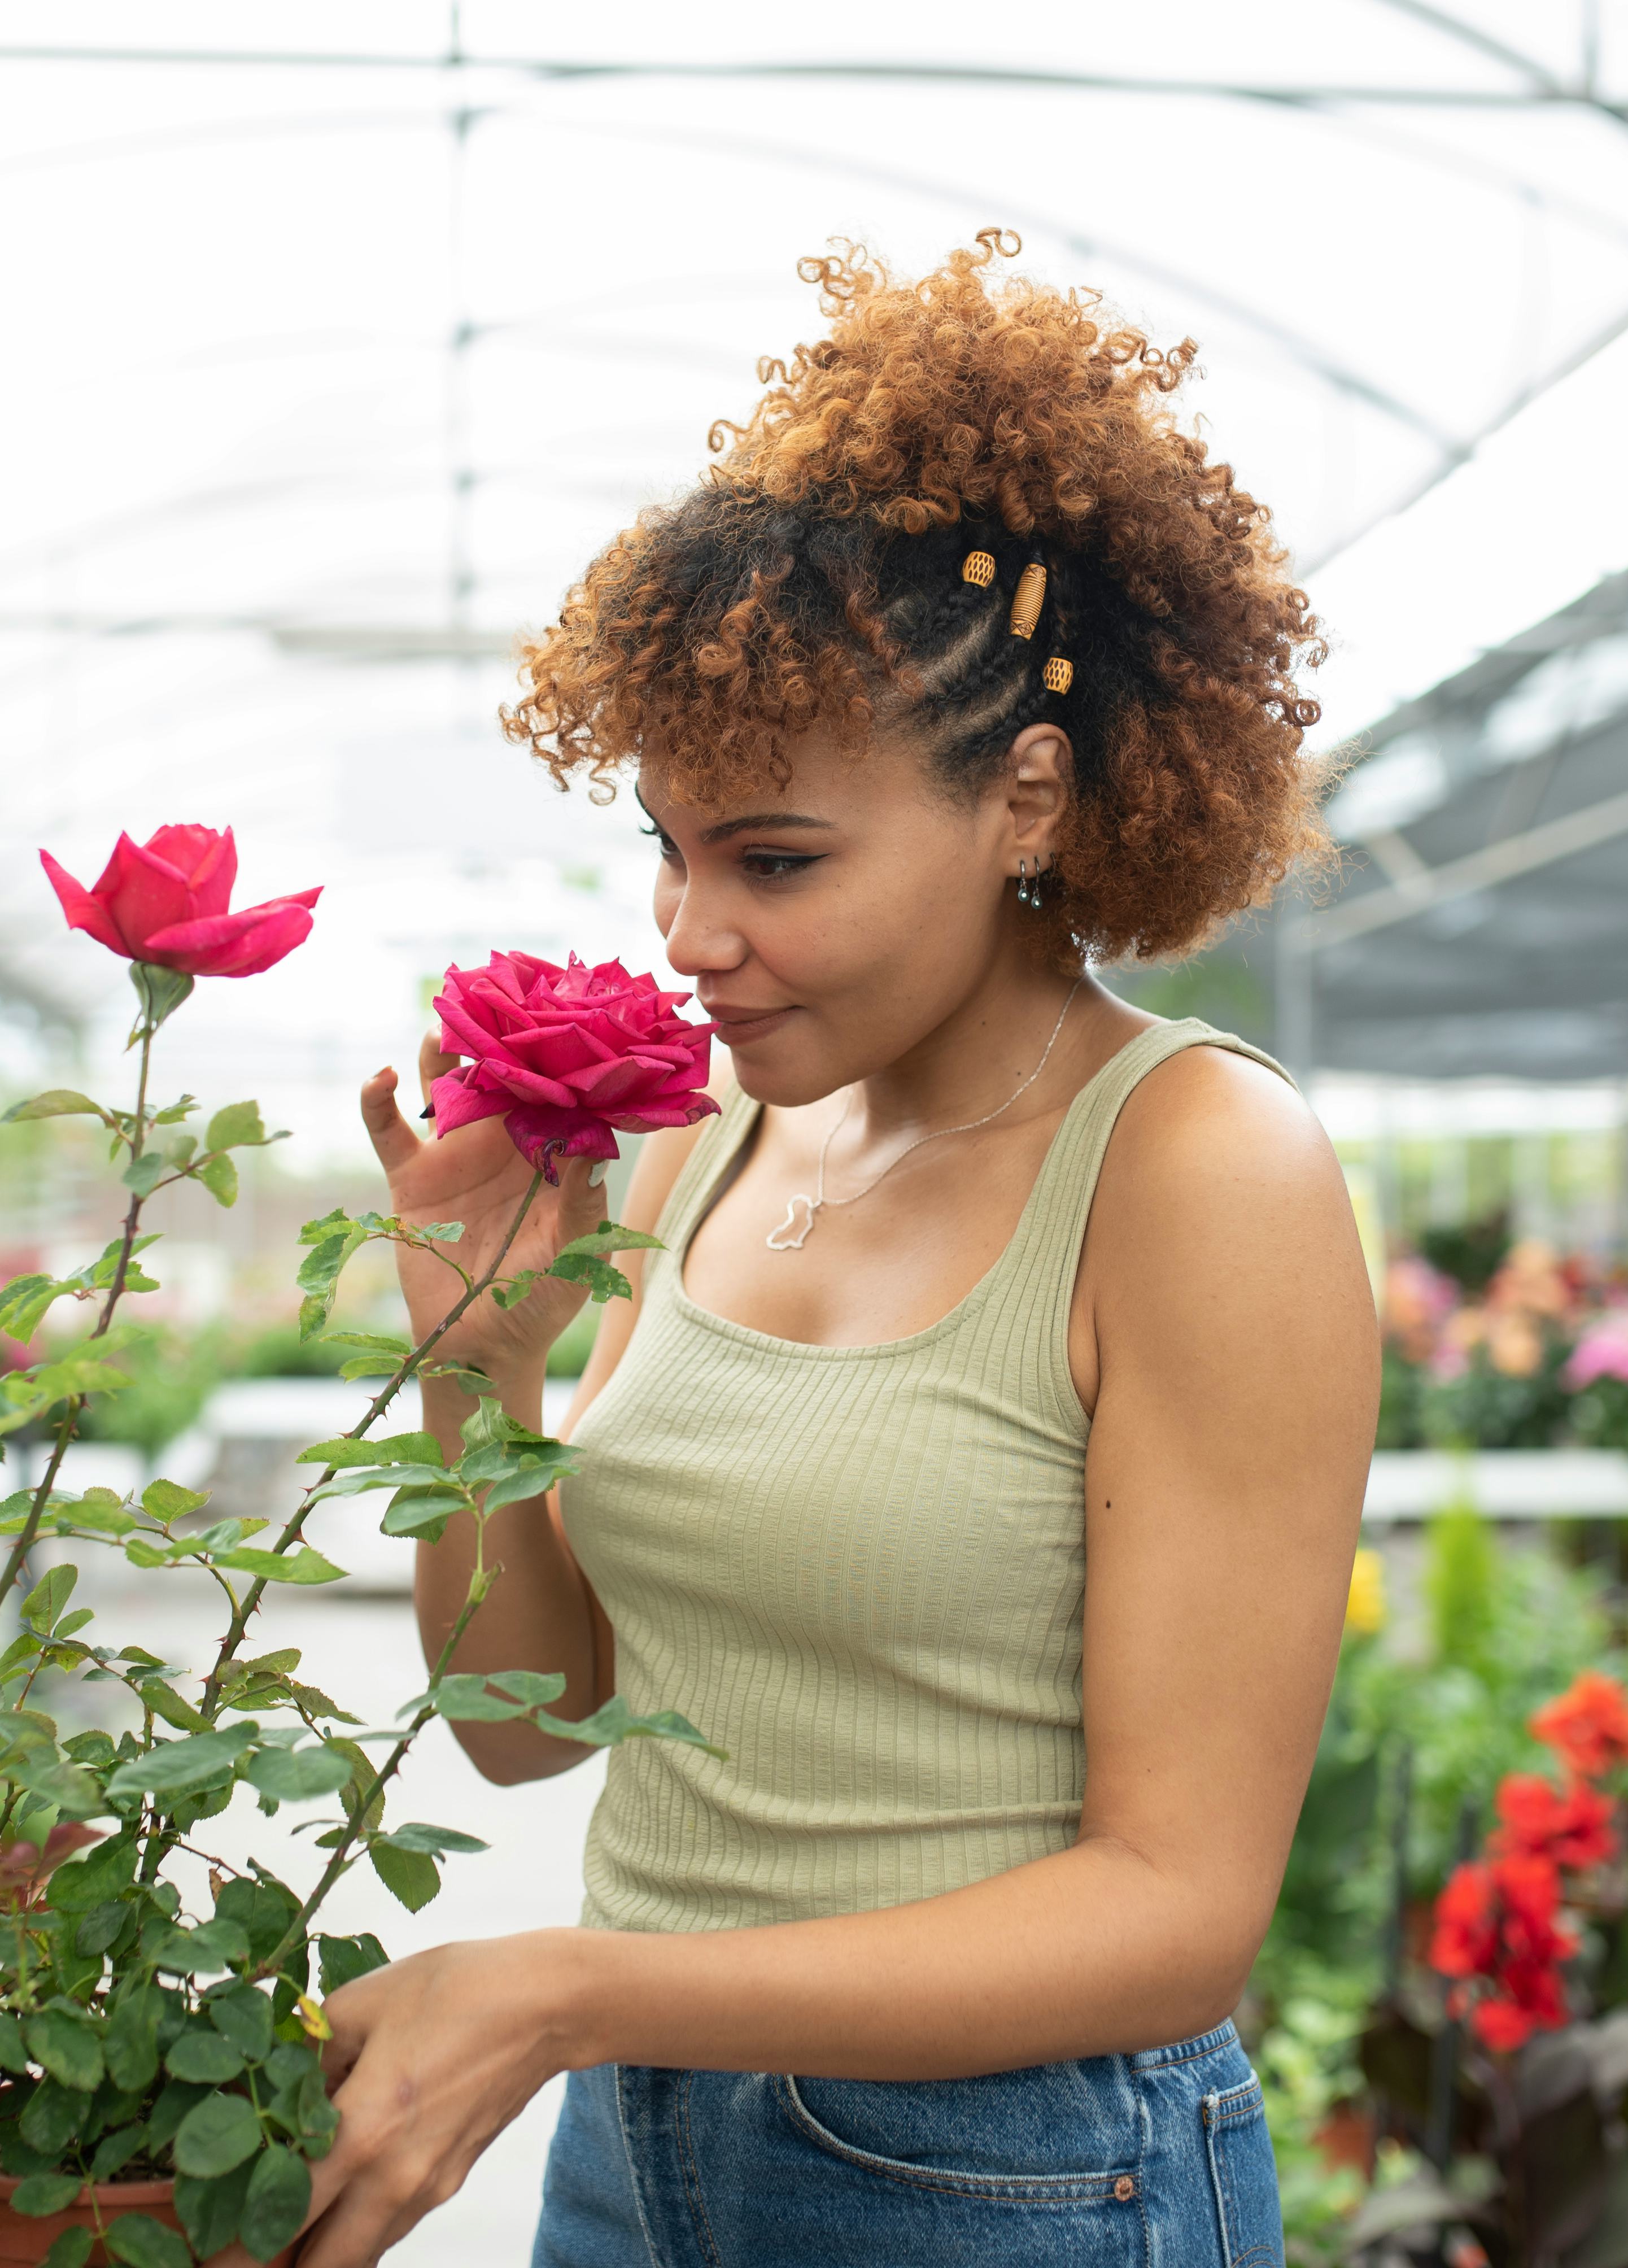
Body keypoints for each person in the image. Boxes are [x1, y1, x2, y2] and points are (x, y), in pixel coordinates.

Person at [308, 232, 1376, 2267]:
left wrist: (560, 1989)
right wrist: (476, 1371)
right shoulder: (710, 1137)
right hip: (640, 2158)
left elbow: (1176, 1912)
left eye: (776, 860)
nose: (689, 935)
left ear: (1029, 803)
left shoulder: (1195, 1168)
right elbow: (535, 1720)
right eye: (670, 846)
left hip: (1023, 2183)